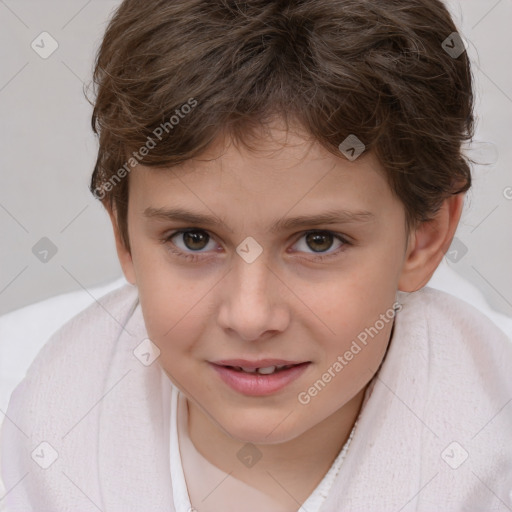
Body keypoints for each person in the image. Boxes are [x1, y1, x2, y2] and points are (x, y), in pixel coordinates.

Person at [2, 1, 512, 510]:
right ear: (124, 237)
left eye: (318, 241)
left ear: (424, 237)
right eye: (194, 239)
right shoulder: (25, 412)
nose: (250, 317)